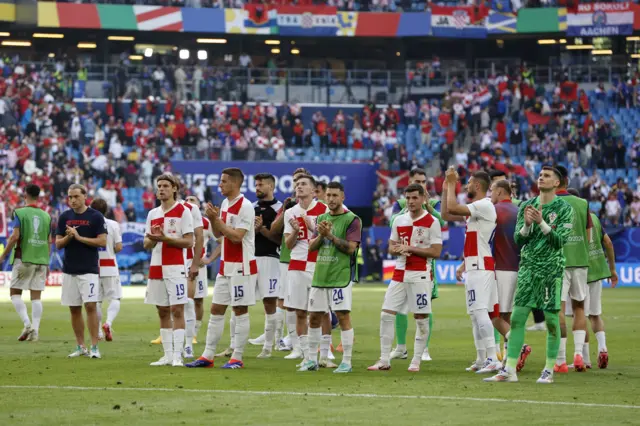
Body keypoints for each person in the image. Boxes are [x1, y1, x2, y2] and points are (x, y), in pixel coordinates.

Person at [485, 167, 574, 384]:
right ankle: (510, 370)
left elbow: (559, 241)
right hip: (527, 269)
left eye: (547, 176)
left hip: (550, 270)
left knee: (552, 321)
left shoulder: (564, 208)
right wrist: (526, 225)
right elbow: (519, 239)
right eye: (540, 175)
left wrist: (541, 222)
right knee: (516, 319)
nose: (541, 178)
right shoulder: (526, 205)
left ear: (556, 183)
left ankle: (548, 370)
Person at [187, 168, 257, 370]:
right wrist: (212, 219)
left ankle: (237, 357)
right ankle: (208, 355)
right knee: (216, 308)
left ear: (235, 184)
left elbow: (237, 236)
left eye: (224, 181)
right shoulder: (226, 203)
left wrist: (216, 220)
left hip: (242, 266)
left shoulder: (245, 206)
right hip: (226, 265)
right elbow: (220, 234)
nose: (220, 184)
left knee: (239, 310)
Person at [367, 184, 442, 372]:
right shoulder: (399, 220)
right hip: (399, 272)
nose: (410, 202)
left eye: (414, 198)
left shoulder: (432, 221)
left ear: (423, 199)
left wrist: (410, 249)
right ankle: (384, 360)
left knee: (421, 317)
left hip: (420, 274)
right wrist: (397, 249)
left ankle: (416, 360)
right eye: (408, 198)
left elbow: (436, 251)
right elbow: (391, 246)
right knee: (386, 314)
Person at [442, 168, 501, 374]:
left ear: (477, 186)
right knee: (475, 315)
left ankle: (493, 358)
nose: (465, 186)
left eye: (467, 183)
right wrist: (445, 188)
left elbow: (452, 207)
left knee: (480, 311)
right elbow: (445, 213)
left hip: (481, 267)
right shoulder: (477, 208)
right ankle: (481, 358)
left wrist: (451, 184)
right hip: (475, 265)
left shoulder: (483, 205)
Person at [302, 182, 361, 373]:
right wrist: (321, 235)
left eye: (335, 195)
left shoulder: (352, 219)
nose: (331, 199)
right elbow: (311, 247)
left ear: (342, 197)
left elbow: (351, 248)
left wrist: (331, 236)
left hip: (340, 276)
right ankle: (311, 360)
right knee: (314, 318)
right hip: (321, 274)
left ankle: (347, 361)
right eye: (328, 195)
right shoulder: (321, 217)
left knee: (343, 316)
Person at [389, 168, 443, 362]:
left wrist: (427, 205)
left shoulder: (433, 203)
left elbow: (441, 221)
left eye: (423, 182)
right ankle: (401, 347)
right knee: (400, 307)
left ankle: (424, 349)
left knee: (425, 306)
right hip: (403, 263)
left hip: (425, 264)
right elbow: (392, 223)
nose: (421, 185)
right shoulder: (400, 204)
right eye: (417, 181)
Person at [143, 174, 194, 367]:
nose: (161, 189)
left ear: (174, 189)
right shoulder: (153, 213)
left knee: (177, 309)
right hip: (156, 267)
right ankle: (167, 355)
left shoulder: (183, 211)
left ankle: (178, 356)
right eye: (159, 186)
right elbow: (146, 243)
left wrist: (167, 239)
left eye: (165, 186)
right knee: (162, 310)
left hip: (175, 267)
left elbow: (189, 241)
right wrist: (153, 239)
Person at [55, 184, 107, 359]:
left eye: (76, 196)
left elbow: (102, 242)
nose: (73, 200)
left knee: (90, 306)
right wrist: (69, 237)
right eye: (70, 197)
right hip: (70, 270)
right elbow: (58, 244)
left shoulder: (96, 216)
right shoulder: (64, 217)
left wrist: (79, 237)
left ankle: (94, 346)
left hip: (89, 270)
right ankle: (80, 346)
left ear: (85, 196)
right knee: (74, 309)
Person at [283, 174, 328, 367]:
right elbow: (288, 244)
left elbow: (328, 238)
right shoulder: (290, 212)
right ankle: (305, 354)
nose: (299, 187)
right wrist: (294, 231)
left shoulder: (324, 209)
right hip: (297, 265)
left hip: (318, 265)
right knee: (300, 312)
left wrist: (312, 227)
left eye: (303, 184)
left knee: (322, 312)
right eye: (297, 185)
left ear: (313, 189)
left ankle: (325, 354)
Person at [490, 179, 532, 370]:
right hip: (519, 268)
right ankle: (509, 358)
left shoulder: (494, 211)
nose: (490, 195)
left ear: (499, 192)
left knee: (493, 315)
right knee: (505, 316)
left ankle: (519, 346)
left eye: (492, 191)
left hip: (501, 268)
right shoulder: (519, 211)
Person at [0, 184, 51, 342]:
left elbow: (15, 236)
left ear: (25, 195)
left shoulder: (20, 213)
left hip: (24, 258)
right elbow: (49, 241)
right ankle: (35, 331)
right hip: (41, 260)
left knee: (15, 294)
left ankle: (27, 324)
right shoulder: (46, 216)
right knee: (36, 297)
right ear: (38, 196)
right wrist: (47, 262)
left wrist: (3, 256)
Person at [554, 165, 592, 373]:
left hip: (559, 261)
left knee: (558, 309)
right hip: (580, 260)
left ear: (557, 181)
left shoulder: (551, 203)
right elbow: (589, 236)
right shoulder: (583, 203)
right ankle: (578, 354)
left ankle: (560, 360)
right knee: (579, 308)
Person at [247, 173, 283, 358]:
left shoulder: (280, 209)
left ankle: (268, 347)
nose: (257, 188)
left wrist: (263, 230)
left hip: (270, 259)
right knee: (240, 302)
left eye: (261, 185)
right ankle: (234, 346)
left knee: (270, 302)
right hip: (250, 258)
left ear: (271, 186)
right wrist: (253, 230)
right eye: (256, 185)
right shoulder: (251, 207)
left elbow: (281, 240)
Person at [583, 201, 618, 369]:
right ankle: (602, 348)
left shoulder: (571, 217)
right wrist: (612, 269)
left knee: (579, 316)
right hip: (597, 271)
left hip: (579, 271)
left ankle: (584, 359)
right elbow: (609, 243)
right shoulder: (594, 218)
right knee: (595, 315)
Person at [89, 198, 123, 342]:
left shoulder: (89, 225)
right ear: (106, 210)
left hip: (93, 265)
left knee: (97, 301)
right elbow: (119, 247)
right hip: (109, 265)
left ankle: (98, 332)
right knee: (115, 297)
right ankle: (108, 323)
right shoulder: (113, 224)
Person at [186, 195, 216, 349]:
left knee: (197, 300)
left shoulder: (206, 223)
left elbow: (221, 242)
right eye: (187, 200)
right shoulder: (179, 220)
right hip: (180, 263)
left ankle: (195, 332)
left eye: (193, 201)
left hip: (198, 265)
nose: (189, 203)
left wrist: (209, 259)